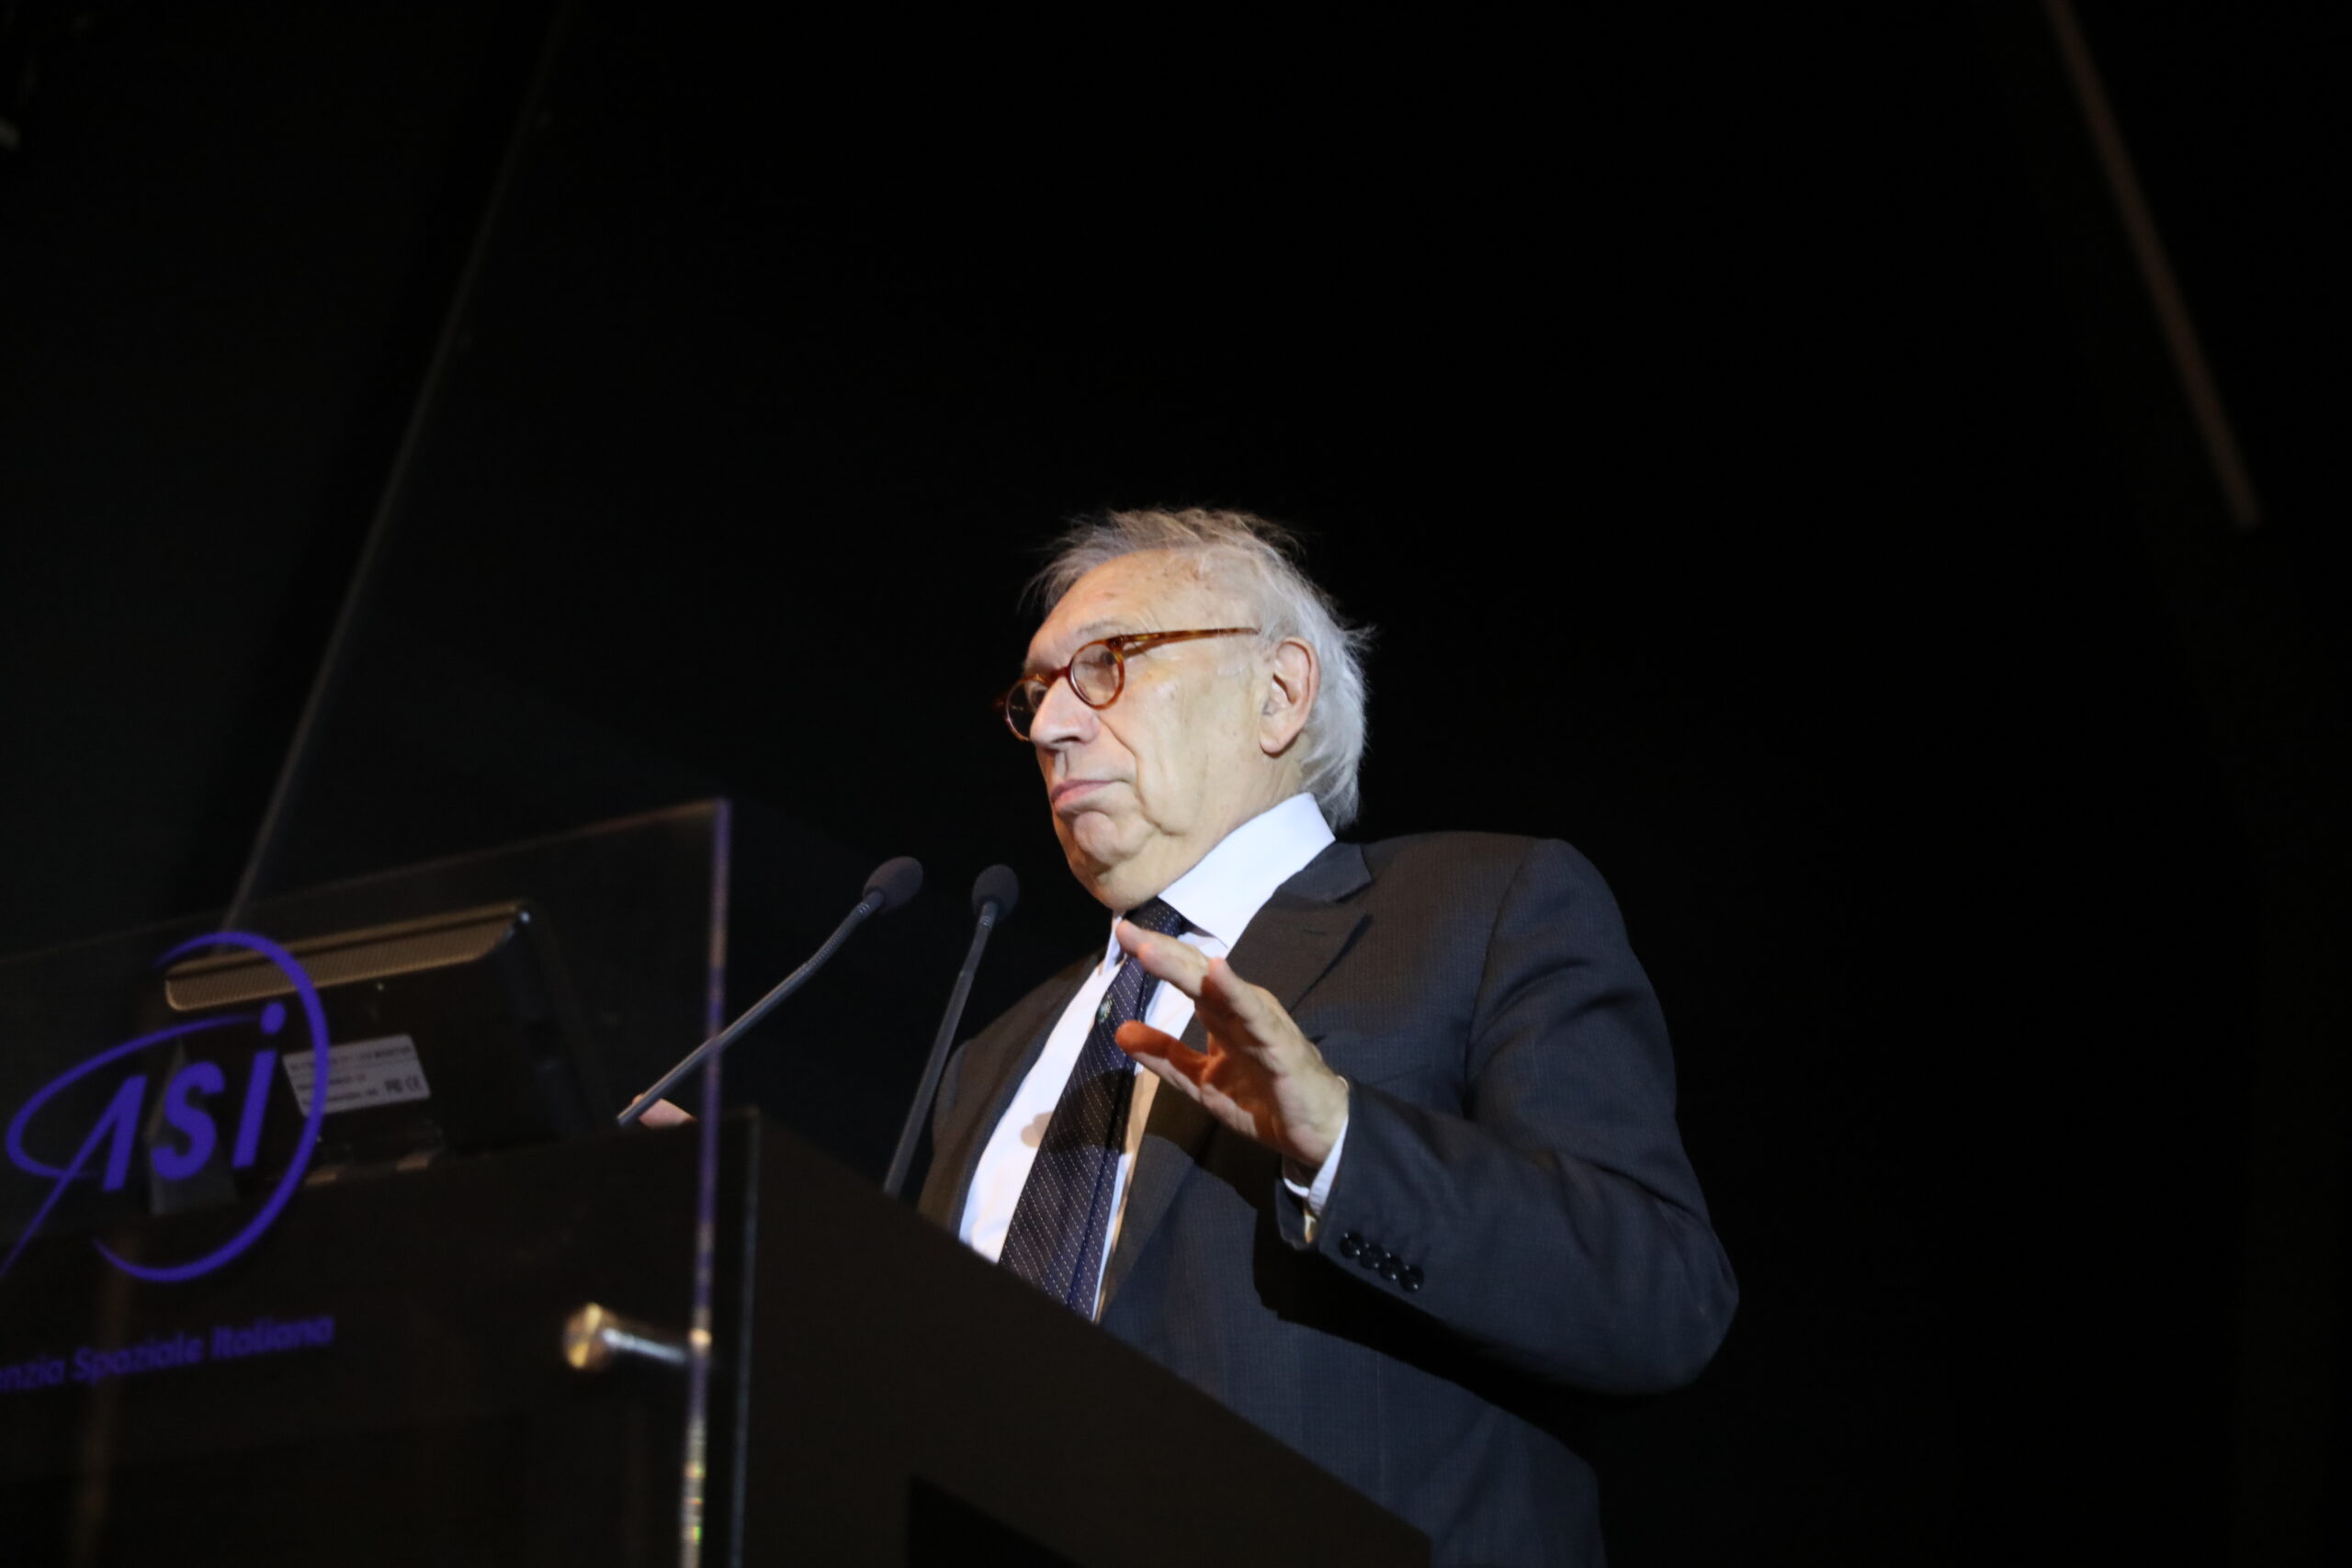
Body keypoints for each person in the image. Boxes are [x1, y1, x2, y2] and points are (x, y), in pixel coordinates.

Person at [917, 508, 1736, 1566]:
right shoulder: (992, 1057)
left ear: (1279, 692)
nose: (1054, 727)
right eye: (1035, 695)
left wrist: (1346, 1144)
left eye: (1107, 665)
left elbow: (1659, 1300)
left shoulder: (1483, 909)